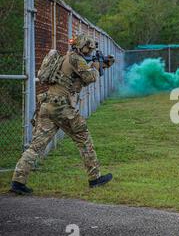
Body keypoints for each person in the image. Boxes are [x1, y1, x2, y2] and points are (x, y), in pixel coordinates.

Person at [10, 34, 113, 195]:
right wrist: (97, 66)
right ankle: (95, 178)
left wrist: (99, 64)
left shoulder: (64, 58)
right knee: (84, 140)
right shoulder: (76, 59)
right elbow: (90, 77)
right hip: (64, 109)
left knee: (36, 146)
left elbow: (78, 79)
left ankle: (18, 181)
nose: (89, 51)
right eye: (88, 48)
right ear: (81, 46)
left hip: (48, 105)